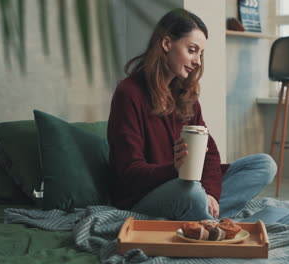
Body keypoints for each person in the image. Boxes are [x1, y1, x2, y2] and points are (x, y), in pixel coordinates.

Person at [107, 8, 276, 221]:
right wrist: (176, 169)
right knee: (193, 193)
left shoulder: (185, 95)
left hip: (186, 187)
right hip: (141, 197)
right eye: (192, 50)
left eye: (200, 53)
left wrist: (212, 193)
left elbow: (210, 154)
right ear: (167, 44)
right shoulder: (129, 93)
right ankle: (206, 215)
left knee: (264, 164)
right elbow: (129, 173)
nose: (197, 61)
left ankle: (203, 214)